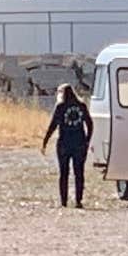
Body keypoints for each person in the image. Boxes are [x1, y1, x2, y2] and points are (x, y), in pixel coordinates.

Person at [43, 78, 93, 207]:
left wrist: (45, 141)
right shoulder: (82, 105)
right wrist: (87, 140)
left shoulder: (60, 107)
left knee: (63, 173)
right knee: (79, 173)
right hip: (80, 144)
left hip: (64, 144)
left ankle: (64, 201)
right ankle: (78, 200)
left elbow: (53, 125)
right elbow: (90, 123)